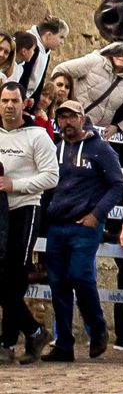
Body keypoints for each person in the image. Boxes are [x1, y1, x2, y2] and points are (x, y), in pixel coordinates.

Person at [39, 100, 123, 361]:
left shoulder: (100, 149)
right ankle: (64, 343)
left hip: (85, 225)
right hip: (58, 224)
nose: (67, 122)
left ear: (82, 118)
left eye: (72, 117)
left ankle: (97, 328)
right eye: (62, 117)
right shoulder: (55, 149)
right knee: (58, 283)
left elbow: (117, 184)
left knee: (80, 276)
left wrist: (97, 215)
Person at [0, 80, 59, 364]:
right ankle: (34, 332)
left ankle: (7, 343)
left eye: (14, 101)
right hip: (0, 211)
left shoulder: (37, 136)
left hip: (25, 208)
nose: (9, 106)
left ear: (25, 103)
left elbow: (52, 176)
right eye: (4, 101)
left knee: (14, 275)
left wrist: (16, 184)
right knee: (4, 279)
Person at [55, 43, 123, 140]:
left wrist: (118, 128)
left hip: (96, 137)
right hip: (71, 126)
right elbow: (60, 70)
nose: (121, 56)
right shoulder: (95, 61)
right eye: (118, 51)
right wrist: (64, 102)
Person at [19, 17, 66, 115]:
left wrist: (34, 107)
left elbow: (40, 81)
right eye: (61, 37)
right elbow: (24, 75)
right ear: (48, 35)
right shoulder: (32, 46)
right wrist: (22, 100)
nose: (62, 42)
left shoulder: (46, 52)